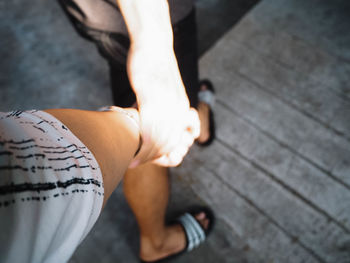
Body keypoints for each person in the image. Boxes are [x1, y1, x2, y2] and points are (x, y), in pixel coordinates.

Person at [57, 0, 216, 261]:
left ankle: (200, 122)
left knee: (156, 94)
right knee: (150, 134)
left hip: (103, 13)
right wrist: (153, 42)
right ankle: (155, 242)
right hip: (141, 14)